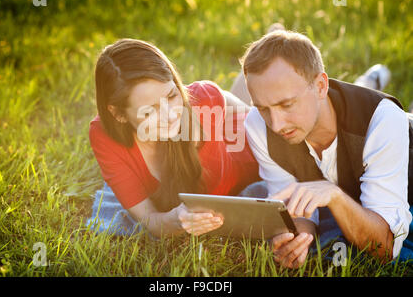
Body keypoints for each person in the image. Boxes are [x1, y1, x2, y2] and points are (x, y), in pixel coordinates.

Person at [240, 29, 412, 268]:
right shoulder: (258, 125)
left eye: (287, 104)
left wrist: (334, 195)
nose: (276, 124)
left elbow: (384, 248)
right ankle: (369, 79)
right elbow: (296, 209)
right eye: (263, 108)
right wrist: (298, 239)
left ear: (321, 86)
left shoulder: (381, 120)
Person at [87, 38, 260, 238]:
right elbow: (151, 221)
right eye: (150, 110)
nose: (170, 116)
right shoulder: (104, 136)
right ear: (118, 114)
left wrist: (254, 112)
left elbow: (216, 96)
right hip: (219, 127)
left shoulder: (201, 99)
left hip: (245, 153)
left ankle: (266, 48)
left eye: (171, 96)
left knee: (256, 98)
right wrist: (177, 219)